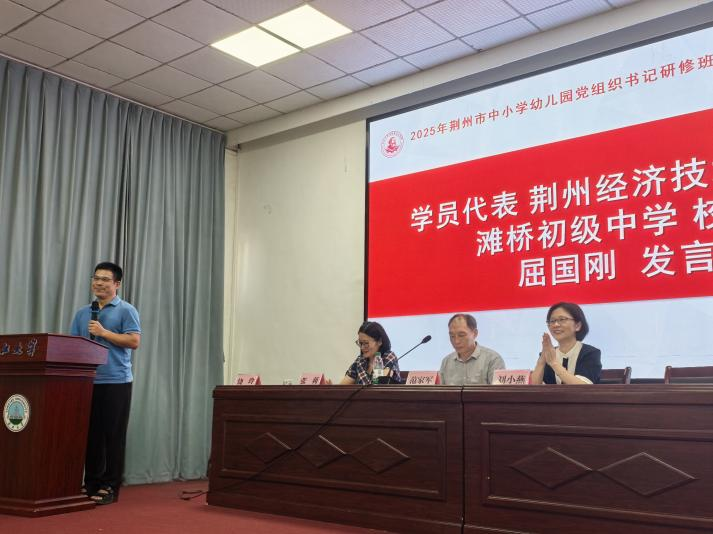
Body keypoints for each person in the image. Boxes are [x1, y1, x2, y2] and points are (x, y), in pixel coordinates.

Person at [70, 262, 141, 505]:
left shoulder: (126, 310)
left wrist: (104, 333)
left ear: (116, 284)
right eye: (96, 278)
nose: (99, 283)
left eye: (105, 279)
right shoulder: (82, 313)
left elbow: (134, 341)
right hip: (88, 381)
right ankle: (91, 483)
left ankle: (110, 486)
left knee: (113, 436)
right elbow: (74, 345)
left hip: (116, 381)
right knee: (92, 436)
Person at [531, 302, 601, 384]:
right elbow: (534, 386)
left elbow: (583, 386)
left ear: (577, 325)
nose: (555, 325)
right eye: (552, 321)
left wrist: (554, 363)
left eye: (562, 319)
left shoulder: (590, 353)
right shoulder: (549, 354)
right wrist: (542, 359)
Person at [439, 313, 505, 385]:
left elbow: (499, 391)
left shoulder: (493, 360)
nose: (456, 341)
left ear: (475, 333)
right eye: (452, 336)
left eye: (461, 335)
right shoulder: (446, 362)